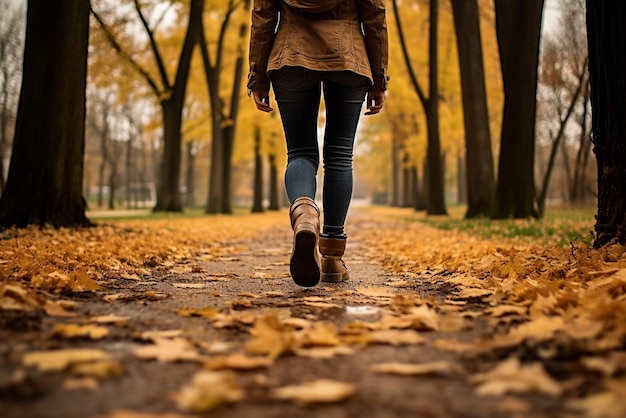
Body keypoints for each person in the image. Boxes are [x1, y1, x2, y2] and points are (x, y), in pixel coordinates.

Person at [248, 0, 389, 287]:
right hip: (348, 57)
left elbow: (262, 16)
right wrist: (379, 78)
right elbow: (375, 15)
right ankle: (332, 258)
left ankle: (304, 214)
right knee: (339, 157)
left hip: (291, 55)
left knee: (300, 152)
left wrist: (258, 77)